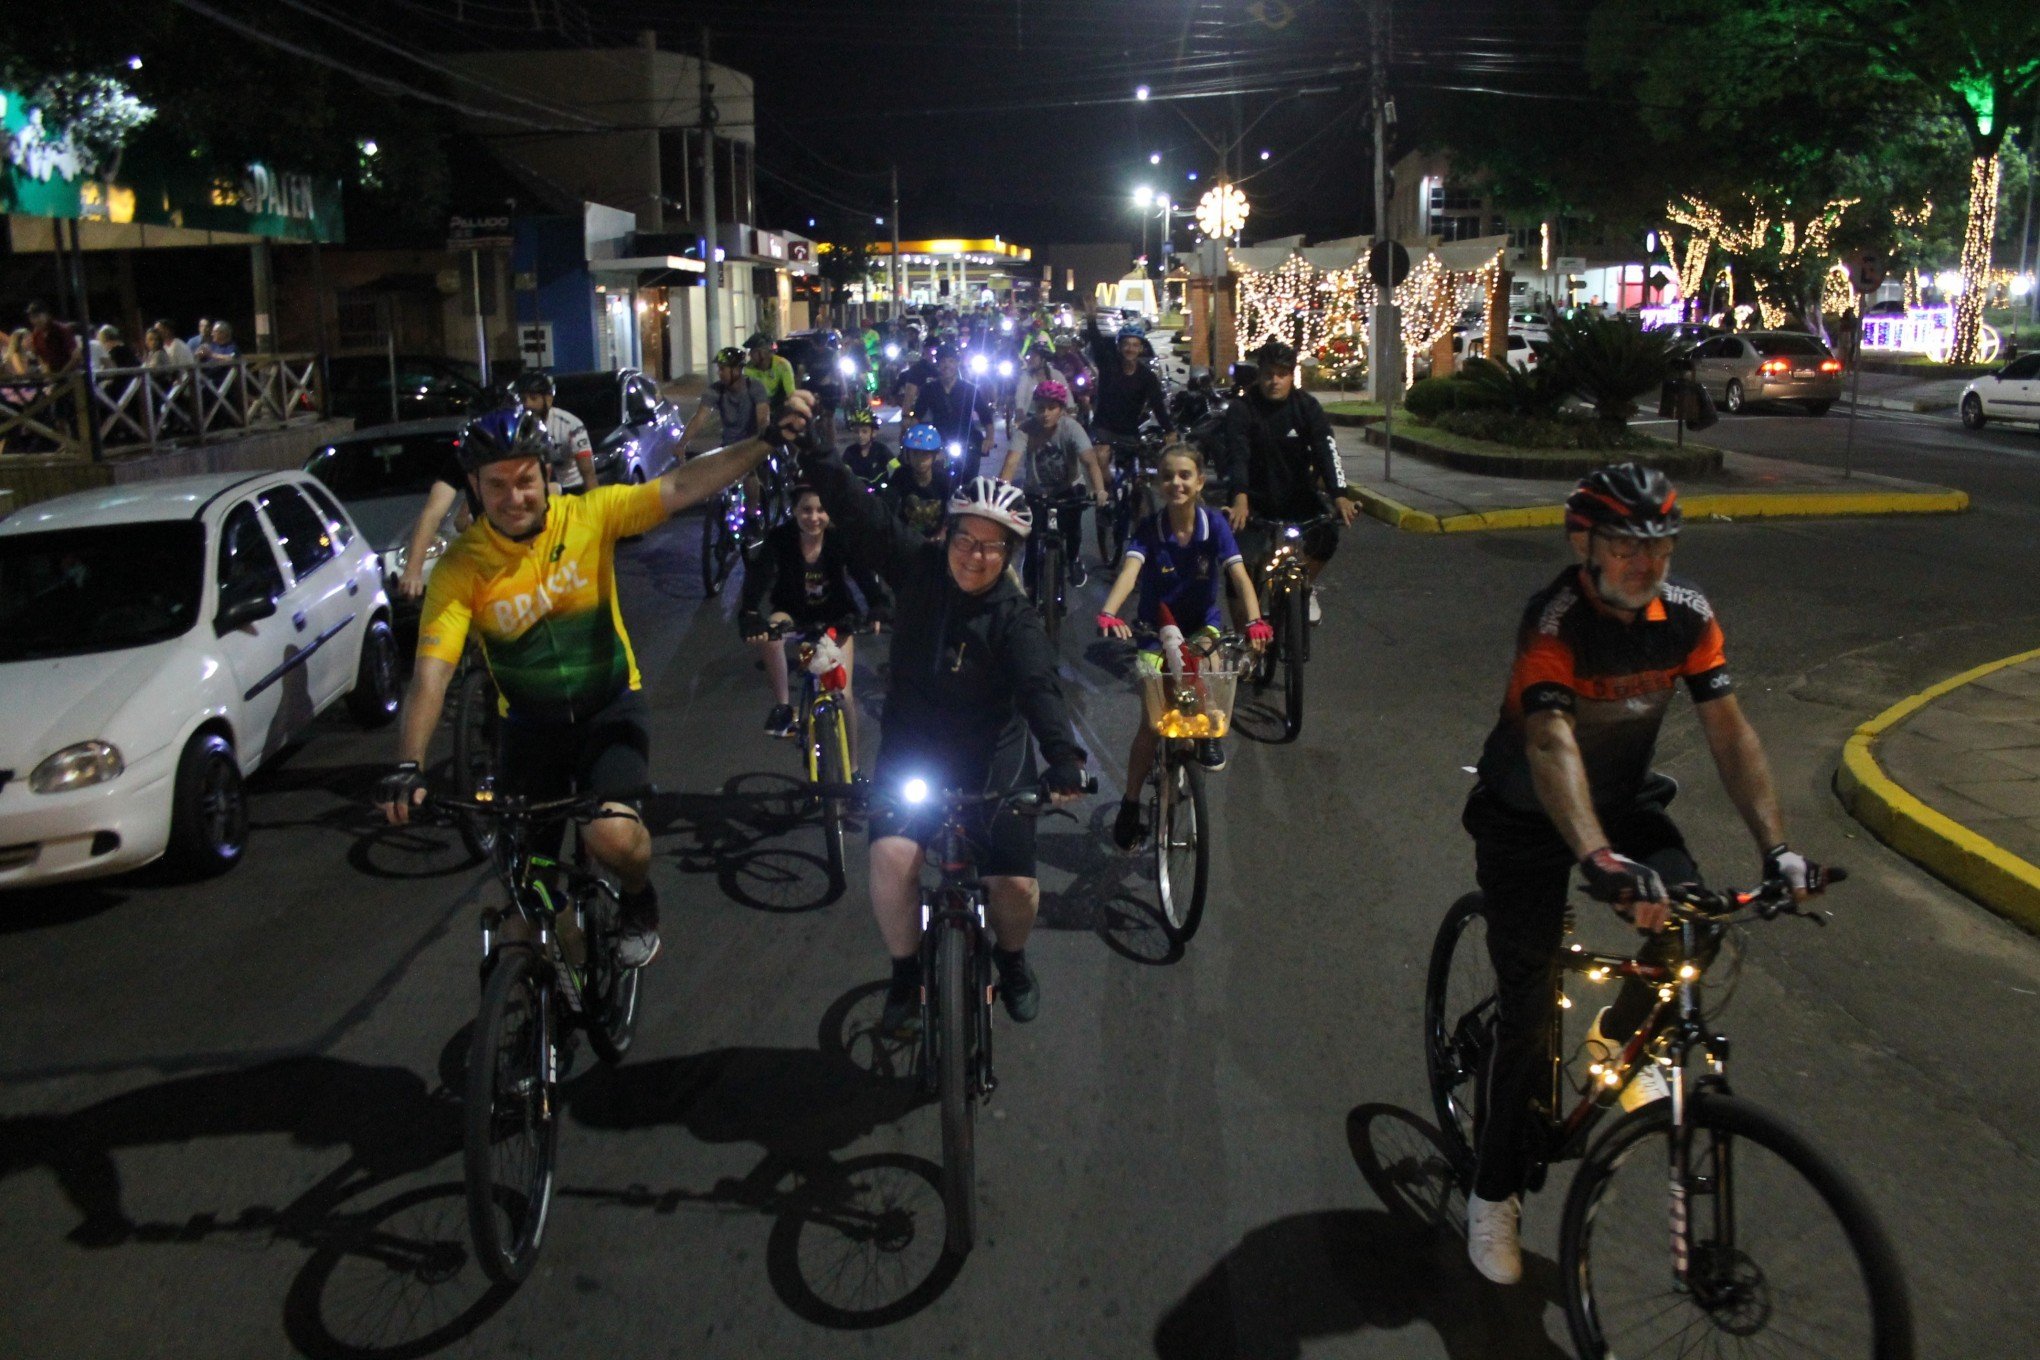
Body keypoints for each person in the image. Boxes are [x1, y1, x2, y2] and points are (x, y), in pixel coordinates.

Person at [1459, 463, 1830, 1287]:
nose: (1647, 563)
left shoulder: (1686, 615)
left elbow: (1729, 733)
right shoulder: (1554, 620)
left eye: (1660, 544)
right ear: (1583, 543)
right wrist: (1597, 861)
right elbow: (1551, 745)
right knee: (1524, 1016)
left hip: (1619, 801)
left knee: (1696, 925)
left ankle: (1619, 1036)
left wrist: (1778, 852)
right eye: (1627, 545)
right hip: (1528, 818)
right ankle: (1491, 1195)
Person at [376, 394, 818, 970]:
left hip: (609, 710)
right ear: (474, 489)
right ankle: (569, 980)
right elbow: (430, 676)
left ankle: (638, 900)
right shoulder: (463, 567)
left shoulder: (588, 517)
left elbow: (682, 486)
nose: (515, 497)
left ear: (545, 476)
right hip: (529, 730)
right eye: (497, 485)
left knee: (609, 837)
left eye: (525, 480)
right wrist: (409, 763)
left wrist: (765, 443)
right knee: (526, 889)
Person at [799, 458, 1090, 1035]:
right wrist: (812, 447)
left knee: (1014, 887)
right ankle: (905, 974)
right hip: (915, 747)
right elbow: (864, 515)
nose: (974, 555)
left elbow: (1039, 687)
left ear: (1008, 555)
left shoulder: (1015, 617)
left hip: (992, 756)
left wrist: (1063, 758)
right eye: (966, 538)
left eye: (992, 546)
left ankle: (1013, 961)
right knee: (891, 857)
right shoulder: (919, 568)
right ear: (948, 534)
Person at [1097, 443, 1271, 822]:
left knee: (1207, 667)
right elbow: (1130, 573)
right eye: (1167, 476)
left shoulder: (1215, 526)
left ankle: (1207, 733)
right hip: (1154, 630)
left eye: (1184, 475)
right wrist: (1110, 611)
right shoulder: (1150, 529)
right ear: (1159, 483)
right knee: (1152, 720)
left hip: (1200, 624)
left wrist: (1256, 620)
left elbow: (1239, 576)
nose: (1176, 483)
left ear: (1200, 482)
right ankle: (1130, 804)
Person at [739, 484, 890, 756]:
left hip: (837, 616)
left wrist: (877, 603)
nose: (814, 517)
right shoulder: (780, 538)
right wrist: (749, 613)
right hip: (793, 613)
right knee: (771, 635)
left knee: (843, 697)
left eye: (821, 510)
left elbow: (862, 573)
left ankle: (853, 768)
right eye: (806, 510)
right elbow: (759, 577)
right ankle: (784, 707)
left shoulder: (840, 538)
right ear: (794, 511)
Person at [1220, 340, 1357, 626]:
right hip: (1254, 498)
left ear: (1291, 375)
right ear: (1260, 374)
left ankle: (1304, 587)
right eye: (1268, 374)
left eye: (1281, 374)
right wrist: (1240, 495)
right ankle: (1245, 643)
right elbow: (1237, 455)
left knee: (1327, 535)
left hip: (1298, 494)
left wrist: (1339, 494)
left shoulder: (1306, 407)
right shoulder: (1243, 408)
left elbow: (1326, 449)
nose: (1274, 381)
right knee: (1238, 564)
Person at [998, 378, 1104, 587]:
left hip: (1068, 488)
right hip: (1036, 491)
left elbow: (1090, 462)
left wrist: (1099, 490)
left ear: (1062, 410)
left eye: (1051, 408)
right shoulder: (1026, 429)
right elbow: (1011, 463)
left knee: (1072, 527)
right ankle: (1029, 581)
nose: (1045, 413)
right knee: (1031, 536)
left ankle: (1073, 559)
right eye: (1040, 408)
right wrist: (1000, 494)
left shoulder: (1072, 428)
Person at [906, 342, 995, 475]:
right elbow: (917, 417)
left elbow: (986, 417)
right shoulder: (929, 389)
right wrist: (912, 438)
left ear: (957, 364)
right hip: (939, 441)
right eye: (943, 362)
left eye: (951, 361)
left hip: (968, 441)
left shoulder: (969, 389)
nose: (947, 366)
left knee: (971, 481)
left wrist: (989, 439)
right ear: (938, 365)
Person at [514, 371, 595, 493]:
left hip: (571, 488)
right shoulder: (516, 426)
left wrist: (593, 502)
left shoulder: (571, 425)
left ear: (548, 399)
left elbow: (588, 472)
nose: (527, 404)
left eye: (533, 398)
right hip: (538, 489)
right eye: (523, 399)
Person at [682, 346, 770, 453]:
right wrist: (682, 444)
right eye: (719, 369)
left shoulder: (754, 387)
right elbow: (699, 418)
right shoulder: (716, 390)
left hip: (752, 447)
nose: (719, 373)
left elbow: (763, 418)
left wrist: (763, 440)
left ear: (736, 370)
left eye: (722, 369)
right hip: (728, 448)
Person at [886, 423, 953, 540]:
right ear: (908, 455)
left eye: (925, 454)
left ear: (934, 455)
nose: (920, 460)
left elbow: (954, 512)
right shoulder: (901, 476)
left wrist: (943, 532)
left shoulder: (943, 480)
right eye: (915, 454)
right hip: (907, 540)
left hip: (936, 539)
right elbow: (888, 507)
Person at [743, 332, 797, 412]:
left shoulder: (782, 365)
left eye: (753, 351)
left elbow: (791, 394)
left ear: (763, 353)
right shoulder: (748, 369)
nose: (750, 355)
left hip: (779, 407)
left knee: (799, 420)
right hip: (758, 408)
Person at [842, 406, 894, 487]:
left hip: (880, 491)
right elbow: (844, 472)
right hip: (858, 492)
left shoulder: (881, 449)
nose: (860, 435)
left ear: (873, 433)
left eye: (864, 431)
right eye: (856, 432)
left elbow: (896, 467)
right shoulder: (850, 452)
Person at [24, 302, 80, 376]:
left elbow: (76, 357)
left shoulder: (62, 330)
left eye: (37, 316)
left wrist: (61, 374)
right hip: (52, 377)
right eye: (32, 317)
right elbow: (40, 357)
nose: (35, 321)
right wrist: (47, 373)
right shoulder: (36, 335)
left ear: (46, 315)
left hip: (71, 375)